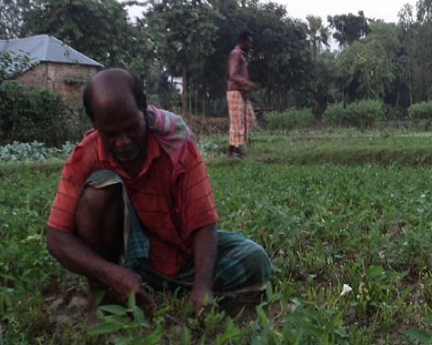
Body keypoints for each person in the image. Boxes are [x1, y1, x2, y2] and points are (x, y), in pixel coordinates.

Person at [46, 68, 273, 317]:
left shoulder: (176, 142)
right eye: (111, 134)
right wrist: (110, 273)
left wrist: (202, 285)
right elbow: (57, 237)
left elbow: (203, 220)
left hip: (179, 252)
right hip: (125, 257)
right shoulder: (86, 155)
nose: (122, 141)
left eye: (130, 128)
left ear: (143, 107)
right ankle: (105, 293)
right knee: (99, 188)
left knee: (255, 259)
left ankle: (168, 286)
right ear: (95, 124)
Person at [226, 31, 258, 158]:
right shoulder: (236, 54)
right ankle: (231, 151)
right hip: (235, 91)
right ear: (243, 41)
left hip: (242, 92)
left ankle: (239, 145)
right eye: (249, 42)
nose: (250, 45)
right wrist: (247, 83)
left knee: (249, 118)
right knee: (236, 121)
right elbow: (232, 74)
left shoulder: (242, 55)